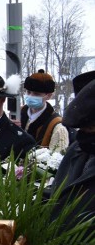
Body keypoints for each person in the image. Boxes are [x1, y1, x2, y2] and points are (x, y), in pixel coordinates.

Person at [50, 70, 95, 223]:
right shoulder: (79, 148)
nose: (84, 135)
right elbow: (59, 195)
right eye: (82, 129)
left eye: (90, 128)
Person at [21, 69, 69, 152]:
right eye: (28, 92)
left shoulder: (57, 126)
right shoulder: (17, 113)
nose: (31, 96)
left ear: (49, 96)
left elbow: (57, 159)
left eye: (36, 94)